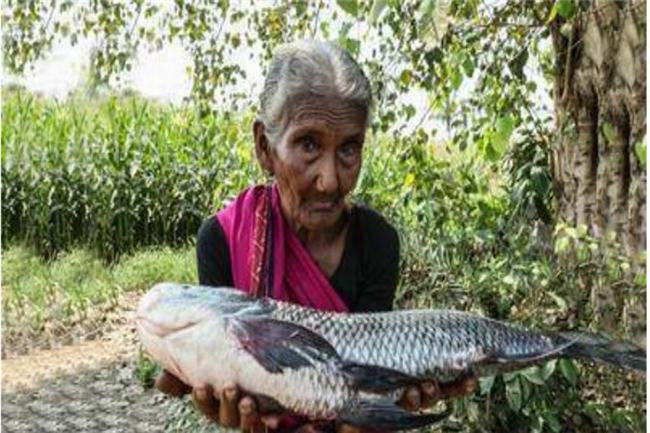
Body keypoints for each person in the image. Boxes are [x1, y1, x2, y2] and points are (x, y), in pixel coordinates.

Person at [154, 40, 476, 432]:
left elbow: (365, 374)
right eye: (308, 145)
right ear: (264, 147)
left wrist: (385, 399)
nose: (330, 180)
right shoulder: (222, 239)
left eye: (349, 149)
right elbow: (225, 375)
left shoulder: (376, 242)